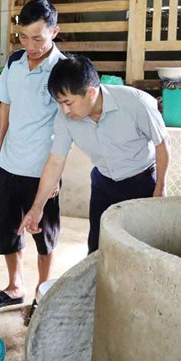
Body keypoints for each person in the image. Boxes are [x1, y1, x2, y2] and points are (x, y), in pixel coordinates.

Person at [20, 54, 170, 254]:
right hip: (104, 184)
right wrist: (37, 207)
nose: (64, 110)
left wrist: (160, 187)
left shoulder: (134, 102)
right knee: (98, 249)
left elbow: (162, 143)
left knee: (141, 250)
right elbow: (55, 162)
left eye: (68, 102)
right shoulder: (65, 118)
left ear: (90, 93)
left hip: (141, 183)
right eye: (59, 103)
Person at [0, 0, 64, 313]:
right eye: (23, 37)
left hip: (43, 169)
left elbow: (67, 128)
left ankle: (43, 293)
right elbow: (5, 108)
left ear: (54, 31)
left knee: (44, 234)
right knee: (7, 230)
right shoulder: (14, 62)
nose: (30, 45)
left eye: (38, 38)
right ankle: (15, 287)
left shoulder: (62, 70)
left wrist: (54, 177)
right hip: (11, 163)